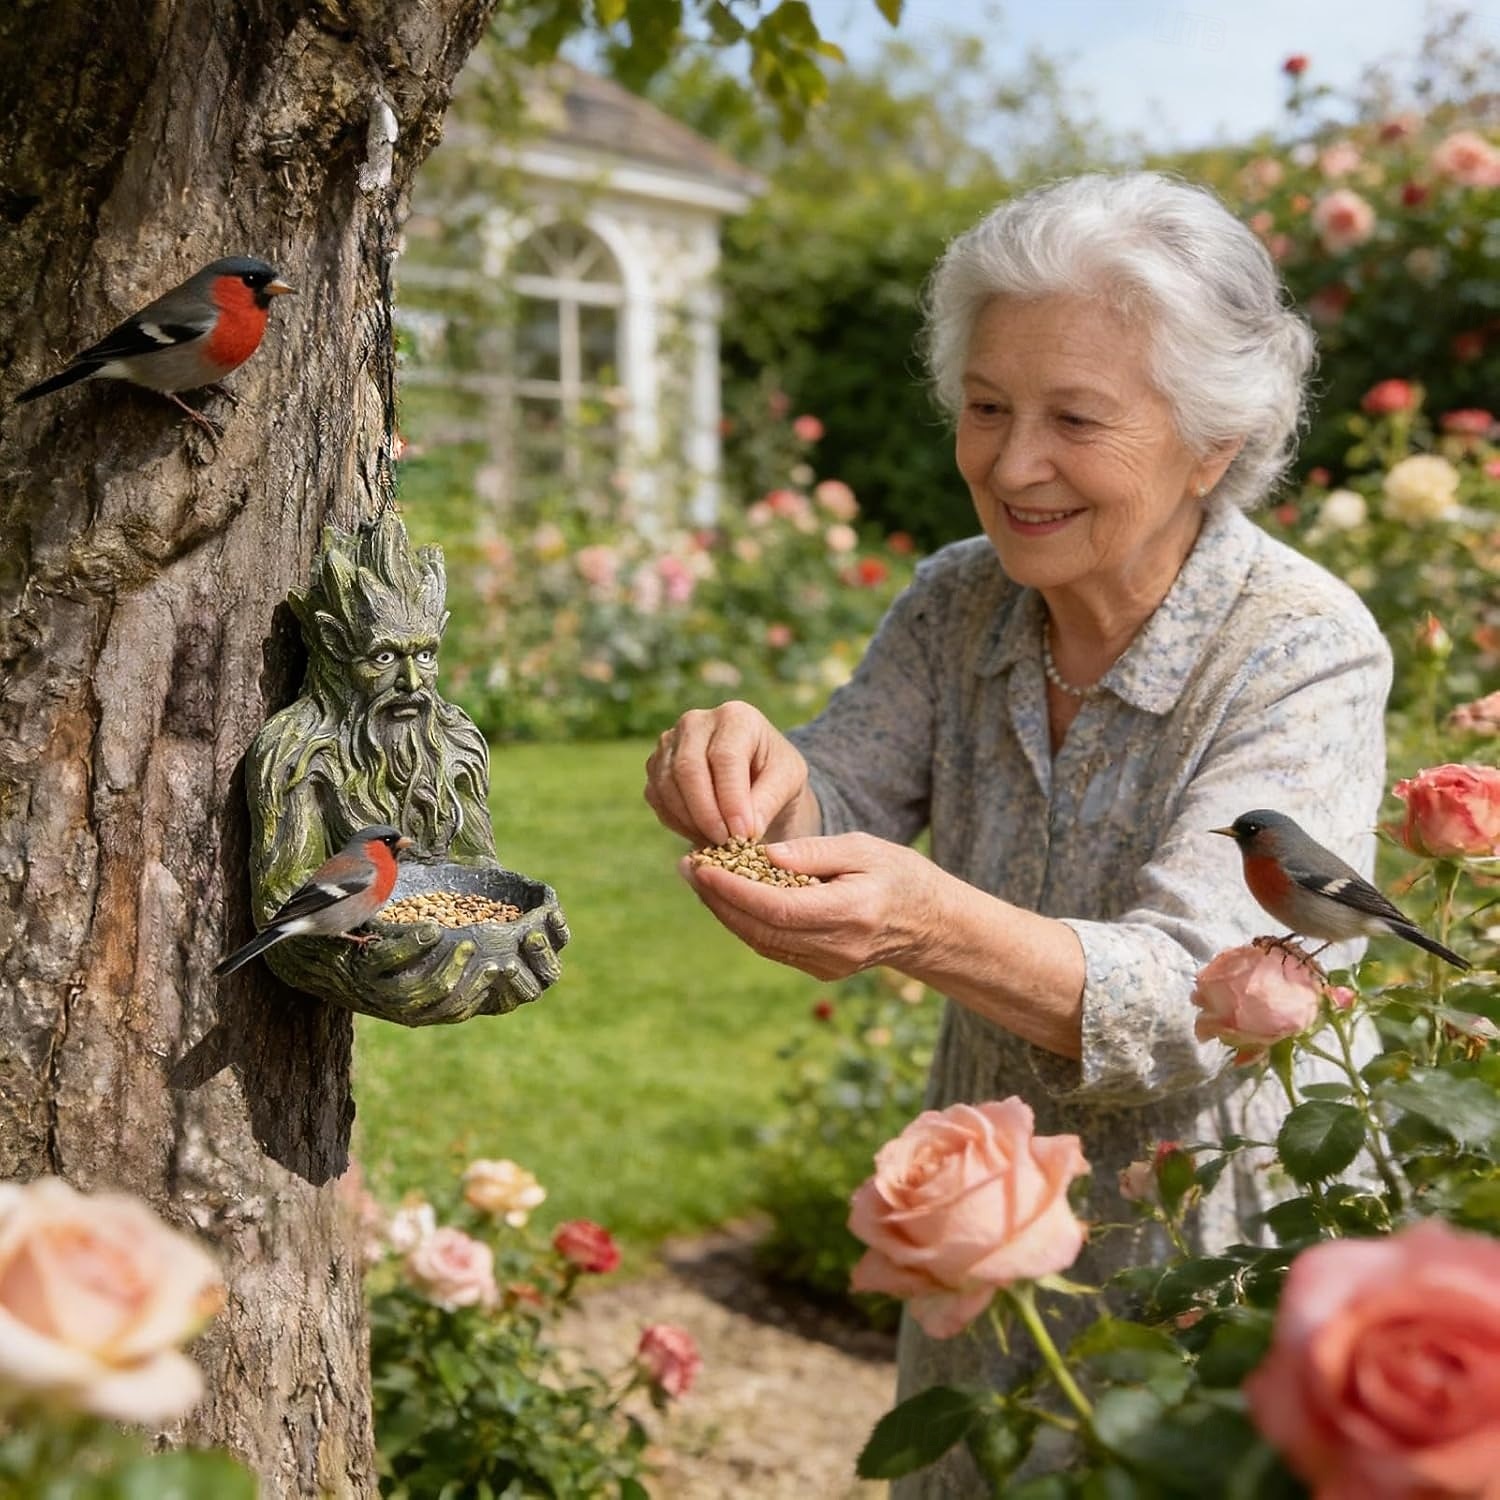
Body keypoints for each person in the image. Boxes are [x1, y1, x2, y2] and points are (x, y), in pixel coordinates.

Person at [642, 172, 1391, 1495]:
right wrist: (759, 782)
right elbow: (843, 790)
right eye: (986, 406)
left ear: (1213, 442)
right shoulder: (961, 604)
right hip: (981, 1250)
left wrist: (923, 921)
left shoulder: (1299, 648)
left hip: (1212, 1268)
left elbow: (1203, 992)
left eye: (1075, 419)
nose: (1010, 461)